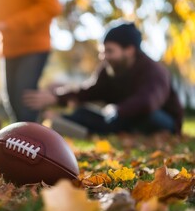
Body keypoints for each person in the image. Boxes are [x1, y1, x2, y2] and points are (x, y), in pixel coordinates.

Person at [24, 23, 183, 136]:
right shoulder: (108, 70)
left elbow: (147, 102)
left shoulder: (154, 71)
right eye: (102, 51)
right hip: (122, 118)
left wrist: (116, 110)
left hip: (160, 121)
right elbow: (89, 91)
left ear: (129, 50)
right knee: (84, 112)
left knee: (146, 116)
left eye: (109, 51)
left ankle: (100, 129)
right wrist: (57, 97)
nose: (103, 56)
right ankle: (60, 124)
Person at [0, 0, 62, 122]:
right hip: (7, 49)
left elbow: (52, 6)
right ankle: (20, 138)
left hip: (34, 46)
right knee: (11, 101)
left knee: (24, 101)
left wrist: (10, 24)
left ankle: (33, 138)